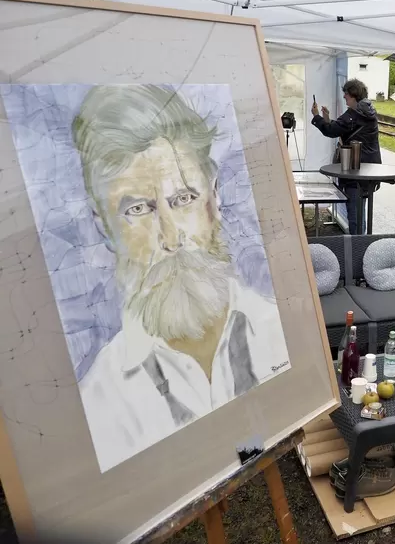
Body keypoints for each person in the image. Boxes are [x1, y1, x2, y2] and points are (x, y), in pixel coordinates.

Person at [72, 85, 291, 472]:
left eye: (185, 198)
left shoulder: (282, 334)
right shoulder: (100, 406)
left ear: (214, 199)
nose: (172, 238)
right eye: (139, 209)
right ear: (102, 226)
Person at [311, 79, 381, 234]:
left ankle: (357, 248)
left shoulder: (354, 114)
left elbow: (332, 131)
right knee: (359, 211)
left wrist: (317, 117)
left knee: (355, 216)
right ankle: (361, 244)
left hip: (355, 171)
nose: (344, 97)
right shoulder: (367, 111)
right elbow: (346, 128)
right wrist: (328, 119)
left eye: (346, 95)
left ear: (354, 95)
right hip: (368, 170)